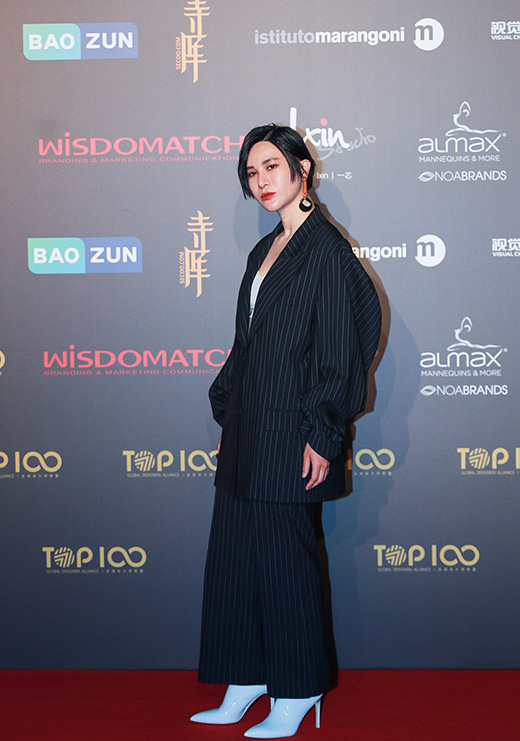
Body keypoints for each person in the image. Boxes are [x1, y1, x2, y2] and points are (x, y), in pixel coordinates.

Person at [190, 124, 381, 738]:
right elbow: (245, 346)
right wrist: (230, 415)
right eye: (252, 172)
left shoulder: (327, 249)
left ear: (303, 168)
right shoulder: (264, 249)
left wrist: (323, 432)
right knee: (235, 562)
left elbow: (344, 349)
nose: (261, 180)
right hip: (249, 428)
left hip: (293, 432)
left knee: (284, 566)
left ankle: (297, 689)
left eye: (272, 165)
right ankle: (246, 677)